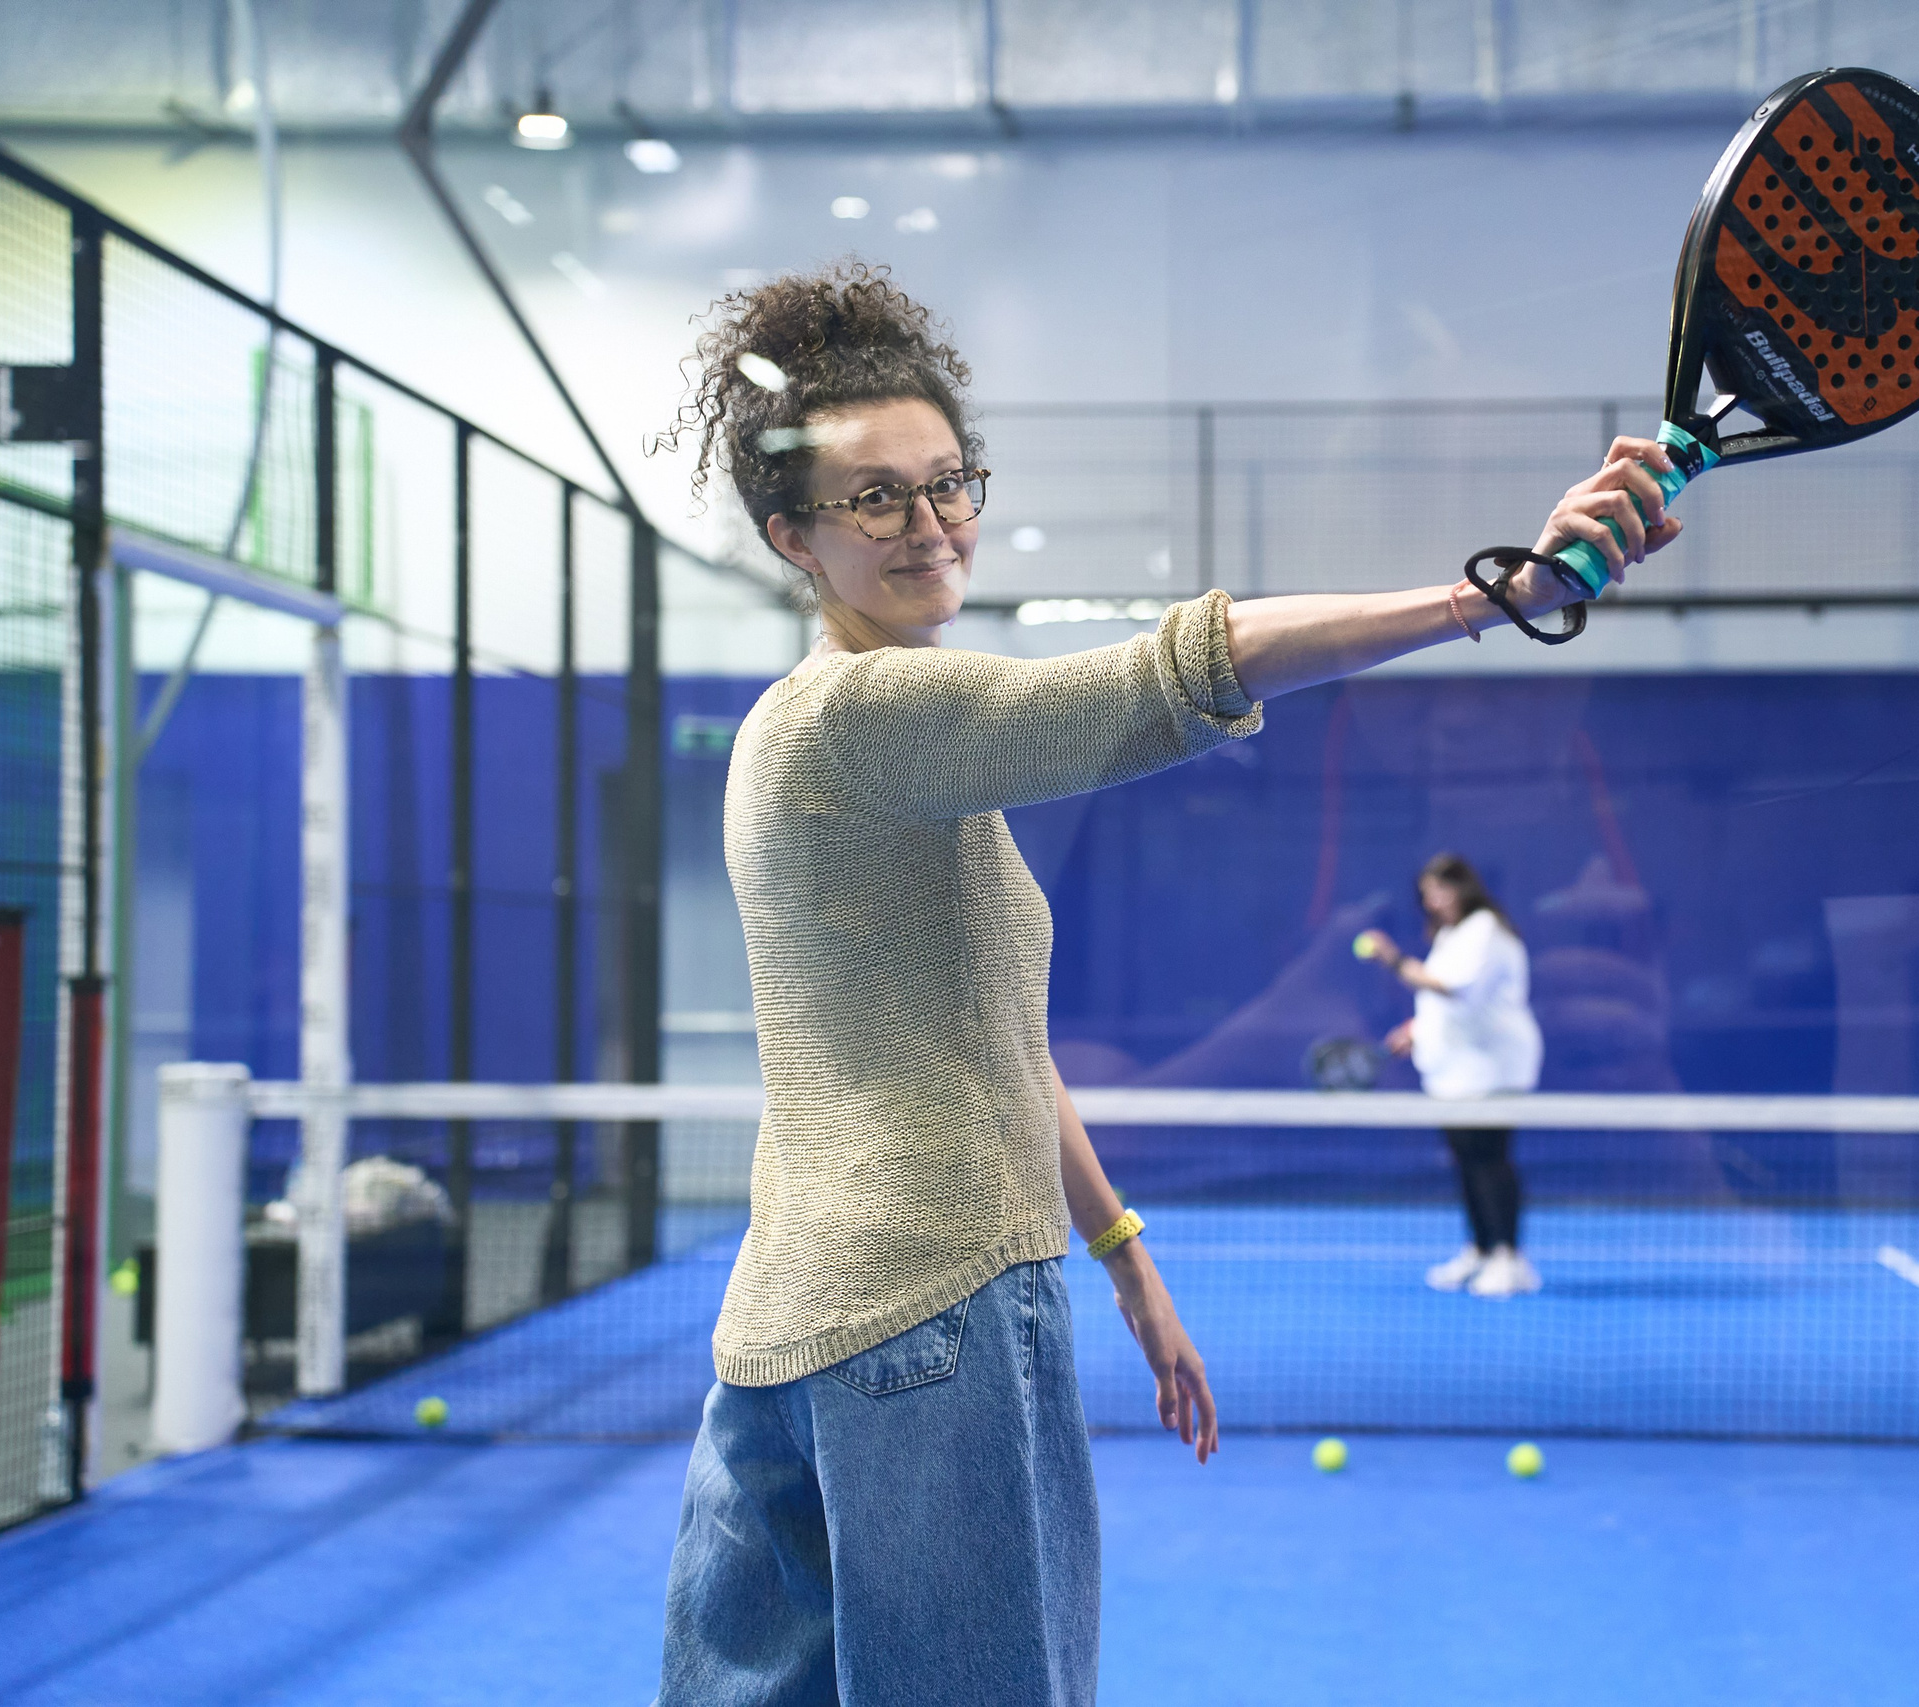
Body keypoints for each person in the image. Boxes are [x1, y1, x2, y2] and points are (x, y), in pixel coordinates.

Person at [653, 260, 1682, 1706]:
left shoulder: (846, 743)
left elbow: (1001, 1050)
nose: (929, 523)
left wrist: (1124, 1255)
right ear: (793, 538)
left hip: (788, 1325)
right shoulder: (862, 712)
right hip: (932, 1311)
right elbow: (1171, 676)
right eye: (873, 498)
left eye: (947, 483)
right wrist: (1495, 593)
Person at [1357, 854, 1545, 1299]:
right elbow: (1449, 1003)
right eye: (1427, 893)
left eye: (1442, 889)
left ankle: (1509, 1258)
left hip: (1493, 1069)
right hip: (1456, 1072)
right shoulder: (1451, 934)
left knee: (1489, 1160)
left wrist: (1392, 959)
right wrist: (1417, 1030)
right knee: (1466, 1162)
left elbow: (1451, 987)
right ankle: (1480, 1249)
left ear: (1465, 888)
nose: (1433, 901)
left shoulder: (1485, 930)